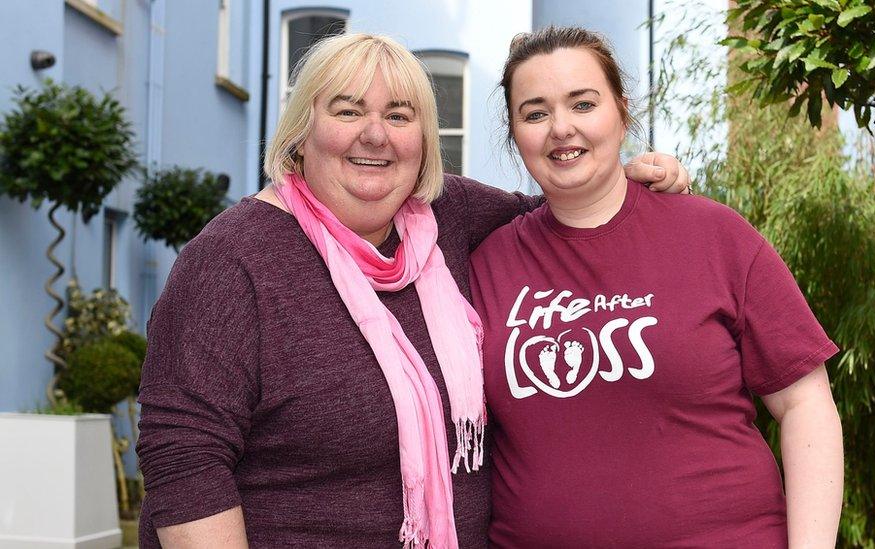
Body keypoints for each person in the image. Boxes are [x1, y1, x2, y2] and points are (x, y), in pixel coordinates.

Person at [135, 33, 688, 548]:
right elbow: (185, 458)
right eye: (348, 110)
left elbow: (563, 212)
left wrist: (636, 177)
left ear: (423, 142)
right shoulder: (230, 260)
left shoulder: (451, 216)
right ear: (301, 134)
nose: (374, 135)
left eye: (398, 116)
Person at [468, 26, 844, 548]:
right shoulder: (485, 263)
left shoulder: (715, 235)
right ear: (515, 135)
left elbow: (805, 405)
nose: (561, 128)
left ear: (622, 114)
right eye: (535, 113)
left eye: (583, 104)